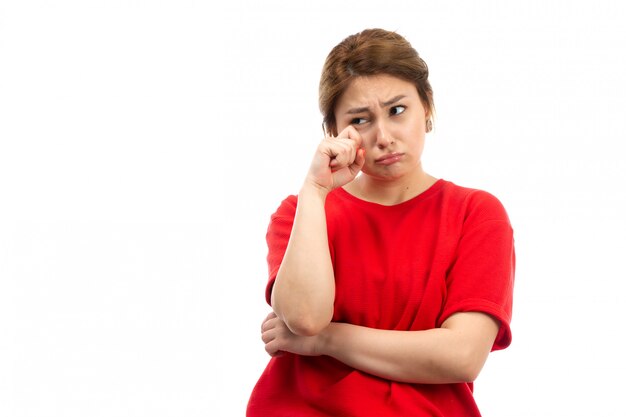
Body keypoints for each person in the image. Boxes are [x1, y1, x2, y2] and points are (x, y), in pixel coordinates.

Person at [246, 28, 515, 416]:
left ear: (427, 108)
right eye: (361, 120)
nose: (384, 137)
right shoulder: (302, 212)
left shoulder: (475, 213)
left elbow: (462, 356)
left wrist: (326, 341)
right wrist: (315, 189)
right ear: (334, 132)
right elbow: (305, 318)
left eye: (397, 110)